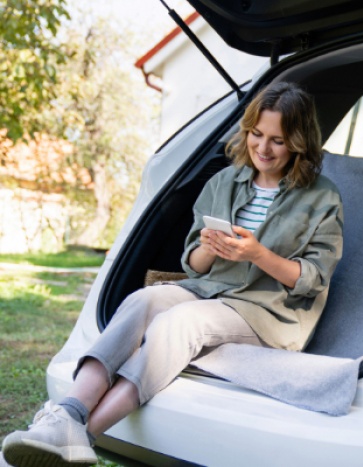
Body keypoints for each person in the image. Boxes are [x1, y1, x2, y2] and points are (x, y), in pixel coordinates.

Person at [1, 82, 344, 467]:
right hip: (210, 288)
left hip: (268, 312)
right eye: (256, 134)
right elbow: (192, 265)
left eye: (277, 140)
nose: (263, 148)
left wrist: (259, 254)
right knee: (142, 299)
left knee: (178, 323)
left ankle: (84, 434)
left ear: (299, 142)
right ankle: (68, 414)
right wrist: (208, 248)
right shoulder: (224, 182)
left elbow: (314, 277)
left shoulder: (322, 197)